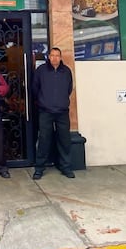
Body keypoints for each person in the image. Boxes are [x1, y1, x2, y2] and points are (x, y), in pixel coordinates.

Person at [32, 47, 75, 180]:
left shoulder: (66, 71)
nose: (55, 58)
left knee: (64, 140)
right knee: (44, 139)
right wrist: (42, 102)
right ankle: (39, 168)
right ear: (48, 57)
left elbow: (69, 88)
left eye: (57, 55)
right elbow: (34, 88)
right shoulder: (41, 71)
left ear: (60, 57)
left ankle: (66, 167)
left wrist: (61, 101)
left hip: (62, 112)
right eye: (52, 55)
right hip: (46, 111)